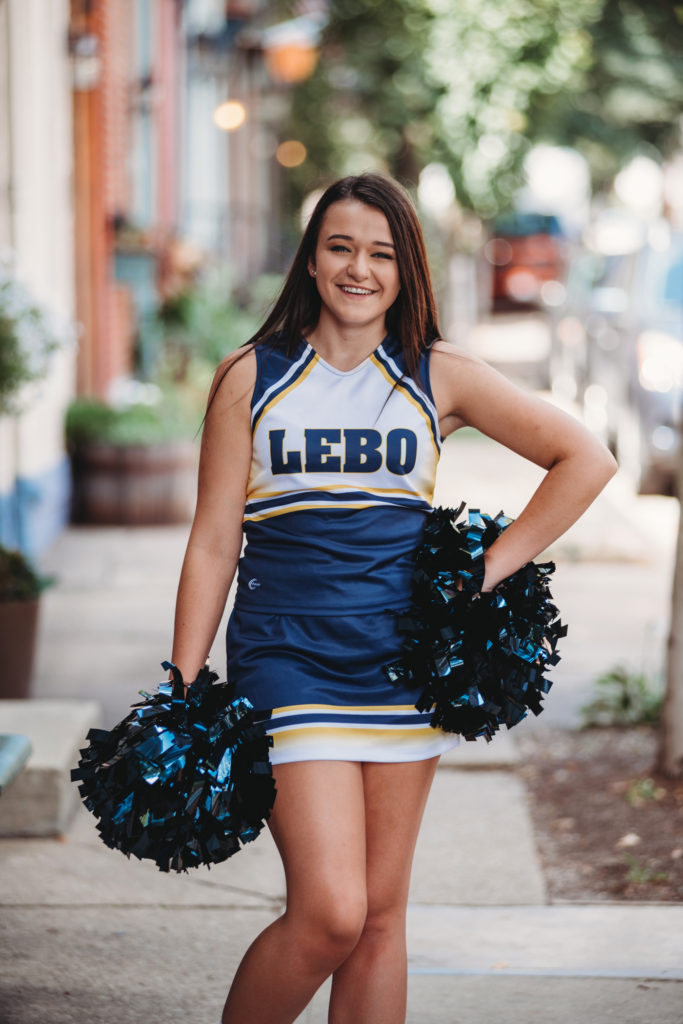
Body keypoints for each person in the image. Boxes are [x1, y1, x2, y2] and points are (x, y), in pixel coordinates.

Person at [169, 172, 617, 1024]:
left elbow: (584, 459)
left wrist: (488, 570)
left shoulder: (433, 373)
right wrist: (184, 684)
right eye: (340, 247)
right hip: (285, 658)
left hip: (400, 667)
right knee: (329, 912)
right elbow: (213, 541)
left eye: (380, 253)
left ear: (406, 271)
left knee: (378, 919)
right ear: (310, 261)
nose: (358, 268)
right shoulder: (250, 377)